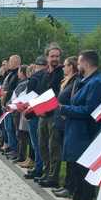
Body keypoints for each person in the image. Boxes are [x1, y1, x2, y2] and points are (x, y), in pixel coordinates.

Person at [58, 50, 101, 200]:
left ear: (86, 64)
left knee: (85, 167)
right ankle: (77, 196)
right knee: (77, 165)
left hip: (87, 133)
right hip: (78, 131)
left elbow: (90, 110)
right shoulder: (87, 80)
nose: (77, 66)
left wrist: (64, 109)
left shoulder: (97, 83)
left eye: (79, 63)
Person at [52, 57, 80, 198]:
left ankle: (70, 187)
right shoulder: (67, 80)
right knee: (66, 155)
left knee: (69, 157)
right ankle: (67, 185)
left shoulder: (75, 81)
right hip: (61, 120)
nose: (63, 67)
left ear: (72, 66)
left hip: (66, 121)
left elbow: (71, 100)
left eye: (65, 65)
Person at [37, 44, 64, 187]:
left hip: (54, 114)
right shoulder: (46, 73)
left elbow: (58, 95)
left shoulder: (62, 73)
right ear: (47, 57)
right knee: (42, 144)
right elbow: (42, 92)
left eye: (57, 56)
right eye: (52, 56)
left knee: (53, 146)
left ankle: (53, 177)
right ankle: (46, 172)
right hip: (43, 114)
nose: (55, 59)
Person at [24, 55, 47, 180]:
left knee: (36, 143)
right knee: (41, 143)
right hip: (42, 112)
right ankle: (40, 167)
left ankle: (38, 167)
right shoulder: (46, 76)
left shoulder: (34, 78)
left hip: (34, 113)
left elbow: (29, 96)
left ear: (37, 66)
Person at [0, 55, 21, 158]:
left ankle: (15, 149)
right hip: (7, 104)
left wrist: (6, 93)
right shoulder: (11, 73)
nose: (9, 63)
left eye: (11, 61)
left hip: (12, 105)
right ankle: (11, 148)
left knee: (12, 128)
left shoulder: (17, 74)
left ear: (17, 62)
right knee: (8, 128)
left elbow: (16, 90)